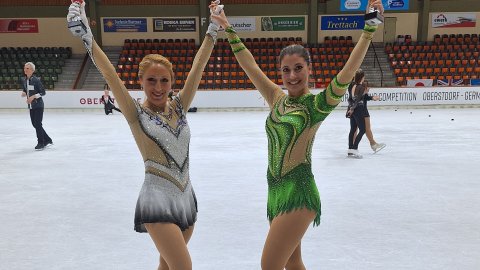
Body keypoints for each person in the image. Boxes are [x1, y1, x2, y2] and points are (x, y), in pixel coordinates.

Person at [211, 1, 383, 269]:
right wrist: (227, 27)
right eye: (286, 70)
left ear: (309, 69)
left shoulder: (317, 105)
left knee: (270, 265)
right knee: (293, 264)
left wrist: (369, 30)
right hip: (275, 191)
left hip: (299, 191)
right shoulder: (276, 98)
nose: (292, 75)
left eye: (298, 68)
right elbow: (250, 66)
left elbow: (348, 72)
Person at [67, 1, 220, 269]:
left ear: (172, 82)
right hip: (156, 200)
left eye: (164, 80)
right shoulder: (135, 112)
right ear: (141, 82)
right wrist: (87, 37)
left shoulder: (181, 106)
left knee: (167, 266)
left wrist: (213, 29)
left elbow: (198, 66)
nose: (158, 87)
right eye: (151, 80)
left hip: (185, 199)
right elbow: (110, 74)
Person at [21, 62, 53, 150]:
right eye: (24, 68)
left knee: (38, 124)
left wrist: (33, 96)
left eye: (27, 68)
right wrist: (24, 93)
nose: (25, 70)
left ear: (32, 70)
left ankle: (41, 142)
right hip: (31, 106)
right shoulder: (24, 80)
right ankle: (48, 139)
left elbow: (43, 92)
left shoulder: (36, 80)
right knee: (35, 124)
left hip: (38, 105)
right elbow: (25, 88)